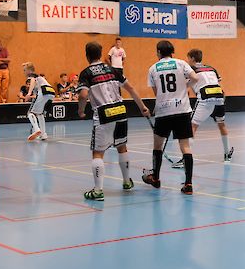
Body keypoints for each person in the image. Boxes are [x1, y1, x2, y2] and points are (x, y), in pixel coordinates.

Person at [77, 41, 150, 201]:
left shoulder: (86, 73)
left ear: (87, 56)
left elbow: (83, 95)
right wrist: (142, 107)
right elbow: (130, 88)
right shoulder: (113, 69)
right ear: (101, 54)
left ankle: (98, 191)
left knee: (98, 153)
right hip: (120, 111)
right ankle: (127, 181)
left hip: (104, 114)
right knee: (122, 147)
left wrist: (81, 110)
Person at [142, 40, 200, 194]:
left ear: (158, 52)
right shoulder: (181, 63)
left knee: (158, 146)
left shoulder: (153, 68)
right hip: (182, 110)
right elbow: (195, 78)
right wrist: (185, 86)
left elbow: (157, 93)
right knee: (185, 147)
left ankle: (155, 178)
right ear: (172, 51)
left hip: (163, 111)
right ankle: (188, 184)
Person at [172, 49, 233, 168]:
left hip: (205, 98)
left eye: (188, 58)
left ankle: (185, 159)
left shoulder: (190, 70)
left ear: (192, 58)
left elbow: (185, 87)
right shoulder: (212, 68)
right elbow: (219, 84)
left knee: (192, 126)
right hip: (219, 97)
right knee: (221, 124)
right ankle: (227, 154)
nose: (187, 61)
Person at [23, 62, 55, 141]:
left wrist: (29, 93)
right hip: (51, 92)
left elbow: (33, 80)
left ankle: (36, 129)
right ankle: (43, 134)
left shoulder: (31, 76)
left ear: (29, 70)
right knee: (40, 113)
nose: (24, 72)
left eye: (24, 70)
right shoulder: (39, 76)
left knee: (30, 113)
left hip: (43, 91)